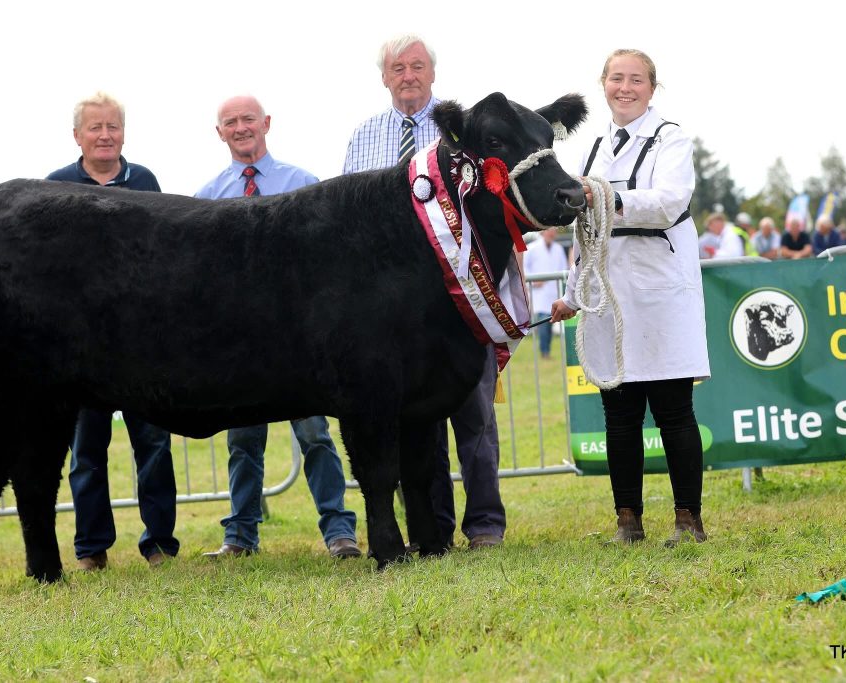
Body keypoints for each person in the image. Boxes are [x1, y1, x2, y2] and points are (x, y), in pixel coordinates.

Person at [344, 34, 506, 550]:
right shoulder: (362, 137)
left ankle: (485, 524)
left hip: (461, 299)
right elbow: (348, 224)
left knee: (474, 417)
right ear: (384, 77)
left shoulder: (464, 134)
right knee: (416, 420)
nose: (408, 75)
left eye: (416, 66)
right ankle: (430, 528)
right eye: (398, 68)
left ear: (432, 73)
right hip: (394, 312)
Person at [551, 48, 710, 546]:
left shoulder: (671, 139)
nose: (626, 88)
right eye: (617, 78)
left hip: (660, 296)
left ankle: (688, 520)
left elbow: (669, 202)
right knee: (619, 418)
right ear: (603, 84)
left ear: (652, 88)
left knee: (673, 412)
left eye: (636, 79)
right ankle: (628, 521)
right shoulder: (593, 148)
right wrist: (572, 296)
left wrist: (608, 197)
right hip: (608, 299)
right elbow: (584, 234)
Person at [195, 95, 360, 560]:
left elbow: (328, 264)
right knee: (242, 441)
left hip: (299, 340)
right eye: (231, 122)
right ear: (220, 132)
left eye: (248, 119)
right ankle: (240, 537)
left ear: (266, 123)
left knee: (315, 435)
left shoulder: (304, 185)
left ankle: (339, 533)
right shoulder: (206, 199)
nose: (241, 127)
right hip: (242, 344)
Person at [47, 91, 180, 570]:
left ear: (123, 132)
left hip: (142, 344)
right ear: (77, 135)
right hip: (84, 347)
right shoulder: (55, 187)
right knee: (86, 450)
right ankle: (91, 548)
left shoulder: (145, 181)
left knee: (154, 444)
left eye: (113, 127)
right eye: (95, 127)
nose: (105, 135)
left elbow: (164, 254)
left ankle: (159, 543)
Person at [523, 228, 569, 358]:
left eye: (554, 231)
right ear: (543, 231)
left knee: (551, 321)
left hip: (554, 291)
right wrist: (533, 281)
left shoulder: (558, 249)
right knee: (543, 321)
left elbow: (564, 268)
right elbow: (523, 267)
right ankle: (545, 352)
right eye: (549, 230)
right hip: (539, 292)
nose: (552, 233)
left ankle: (546, 350)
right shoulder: (531, 248)